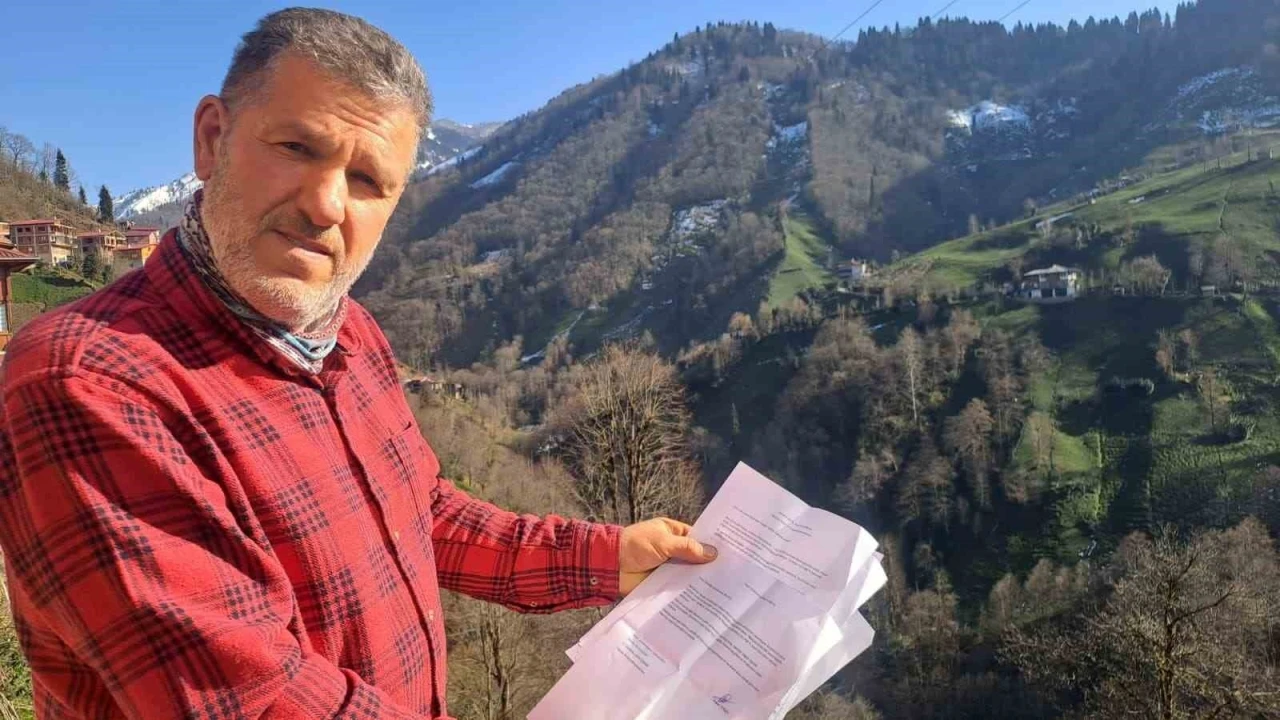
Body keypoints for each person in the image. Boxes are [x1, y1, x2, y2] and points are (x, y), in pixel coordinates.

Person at [0, 8, 716, 719]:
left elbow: (419, 514)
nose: (325, 205)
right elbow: (252, 700)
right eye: (296, 147)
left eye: (369, 180)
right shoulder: (88, 383)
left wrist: (604, 556)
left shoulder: (351, 335)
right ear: (213, 139)